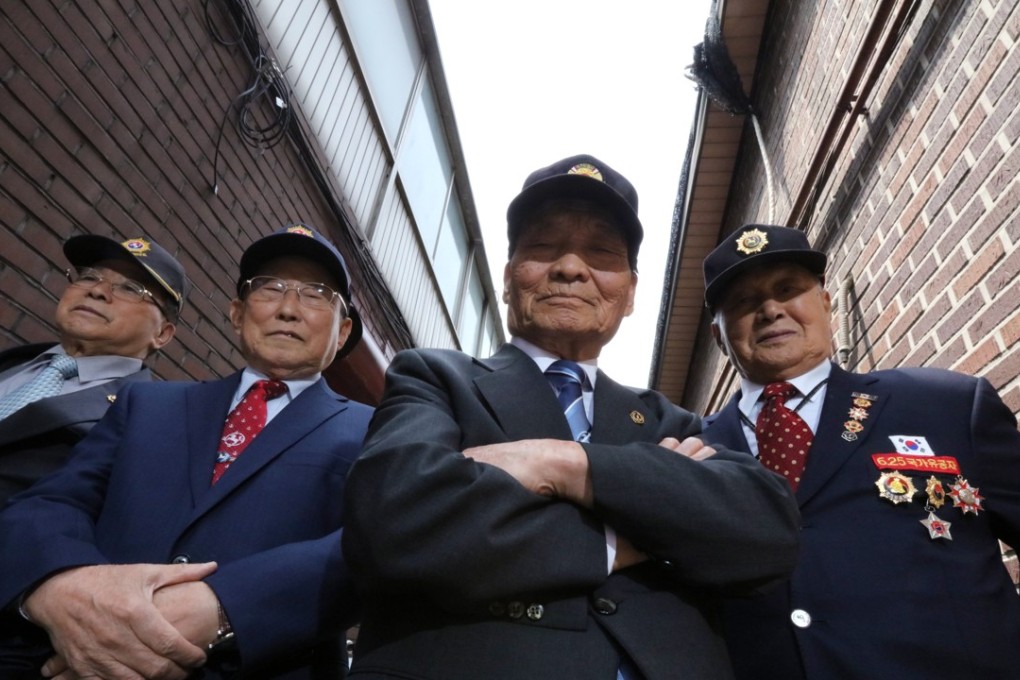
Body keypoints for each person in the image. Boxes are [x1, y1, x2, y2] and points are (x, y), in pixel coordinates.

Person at [341, 155, 800, 680]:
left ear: (628, 294)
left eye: (601, 252)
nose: (570, 267)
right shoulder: (434, 377)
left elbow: (766, 532)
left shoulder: (666, 420)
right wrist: (633, 532)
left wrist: (559, 463)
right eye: (542, 247)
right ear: (510, 276)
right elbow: (392, 525)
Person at [0, 224, 372, 679]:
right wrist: (67, 590)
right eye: (269, 289)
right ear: (237, 314)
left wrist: (223, 609)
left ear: (343, 330)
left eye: (316, 295)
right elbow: (51, 502)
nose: (288, 309)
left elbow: (370, 542)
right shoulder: (146, 404)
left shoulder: (377, 429)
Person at [700, 224, 1020, 679]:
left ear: (826, 304)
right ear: (719, 336)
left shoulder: (945, 404)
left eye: (788, 289)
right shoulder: (691, 453)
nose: (771, 309)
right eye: (743, 302)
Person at [0, 233, 187, 507]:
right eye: (89, 276)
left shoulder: (145, 423)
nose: (97, 290)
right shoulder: (15, 362)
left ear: (162, 334)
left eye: (131, 289)